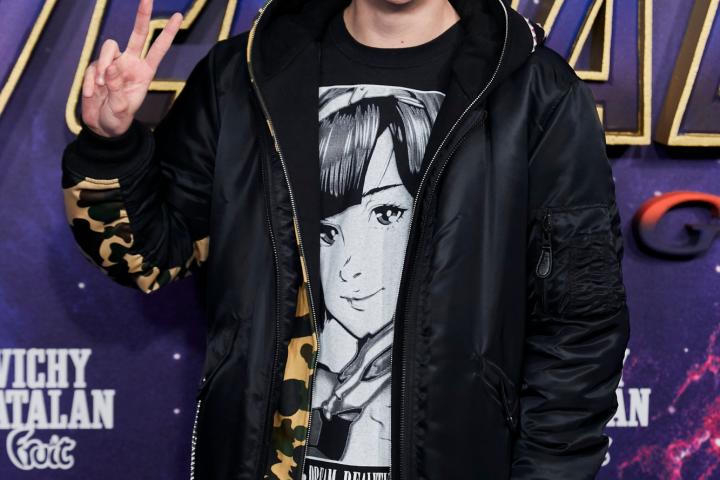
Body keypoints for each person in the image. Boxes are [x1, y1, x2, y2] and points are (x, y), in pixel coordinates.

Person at [61, 0, 631, 478]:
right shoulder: (243, 75)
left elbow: (581, 325)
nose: (351, 269)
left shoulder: (535, 91)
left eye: (386, 213)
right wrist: (109, 146)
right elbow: (149, 257)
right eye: (332, 228)